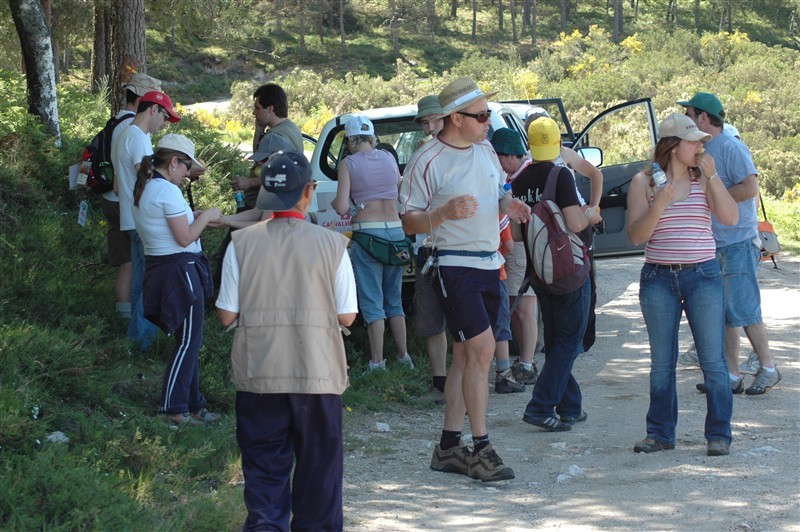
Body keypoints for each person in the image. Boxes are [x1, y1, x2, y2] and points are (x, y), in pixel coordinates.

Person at [215, 150, 357, 530]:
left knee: (264, 473)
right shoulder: (332, 246)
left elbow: (227, 315)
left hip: (259, 375)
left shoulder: (240, 244)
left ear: (264, 195)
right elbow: (347, 316)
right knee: (320, 475)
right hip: (318, 376)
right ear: (308, 192)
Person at [399, 77, 531, 482]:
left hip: (490, 262)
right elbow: (408, 220)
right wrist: (442, 214)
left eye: (488, 114)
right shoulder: (427, 158)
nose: (488, 122)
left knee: (465, 356)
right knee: (483, 351)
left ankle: (448, 447)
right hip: (451, 264)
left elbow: (499, 193)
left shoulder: (487, 151)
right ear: (455, 119)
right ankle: (482, 448)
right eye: (481, 116)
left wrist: (511, 204)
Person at [626, 113, 738, 456]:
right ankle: (659, 434)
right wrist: (660, 201)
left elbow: (731, 218)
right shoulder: (643, 182)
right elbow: (635, 237)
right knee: (662, 362)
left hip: (702, 275)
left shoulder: (704, 179)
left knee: (713, 361)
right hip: (658, 278)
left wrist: (714, 177)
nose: (701, 147)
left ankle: (719, 435)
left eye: (702, 141)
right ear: (674, 147)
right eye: (694, 142)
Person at [679, 94, 780, 395]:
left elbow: (751, 187)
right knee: (725, 313)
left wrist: (713, 199)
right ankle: (731, 375)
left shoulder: (731, 147)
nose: (686, 118)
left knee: (744, 310)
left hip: (736, 242)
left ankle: (769, 368)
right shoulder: (702, 148)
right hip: (716, 243)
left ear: (703, 118)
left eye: (689, 113)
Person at [512, 117, 601, 433]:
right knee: (569, 340)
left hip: (540, 272)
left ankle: (570, 406)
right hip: (569, 269)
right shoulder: (561, 175)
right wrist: (592, 212)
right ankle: (540, 406)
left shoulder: (520, 181)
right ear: (556, 143)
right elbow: (576, 224)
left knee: (556, 340)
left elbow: (519, 235)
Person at [131, 134, 222, 426]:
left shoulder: (148, 188)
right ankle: (173, 407)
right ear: (173, 163)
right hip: (179, 269)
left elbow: (171, 225)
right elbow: (185, 238)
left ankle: (193, 404)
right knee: (188, 342)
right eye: (185, 168)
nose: (187, 174)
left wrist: (192, 215)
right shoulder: (167, 192)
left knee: (190, 341)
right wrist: (206, 216)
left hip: (165, 268)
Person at [332, 115, 412, 371]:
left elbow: (343, 206)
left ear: (351, 139)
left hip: (368, 234)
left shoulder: (349, 164)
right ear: (372, 137)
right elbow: (401, 190)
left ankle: (377, 362)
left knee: (372, 301)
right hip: (396, 234)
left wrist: (339, 204)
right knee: (395, 300)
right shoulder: (389, 158)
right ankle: (404, 357)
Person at [524, 109, 604, 353]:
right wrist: (590, 214)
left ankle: (579, 340)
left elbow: (595, 173)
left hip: (574, 224)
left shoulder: (562, 154)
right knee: (565, 287)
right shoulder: (528, 163)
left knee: (585, 283)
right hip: (555, 231)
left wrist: (592, 206)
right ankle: (568, 345)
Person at [112, 90, 181, 349]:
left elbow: (121, 185)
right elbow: (148, 182)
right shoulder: (139, 139)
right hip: (143, 220)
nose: (164, 123)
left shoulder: (125, 134)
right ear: (153, 110)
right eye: (165, 116)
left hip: (131, 218)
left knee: (140, 281)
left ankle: (135, 337)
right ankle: (144, 342)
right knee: (150, 282)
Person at [100, 72, 162, 319]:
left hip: (116, 201)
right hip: (126, 205)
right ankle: (129, 319)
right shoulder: (132, 129)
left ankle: (126, 319)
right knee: (131, 265)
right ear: (146, 102)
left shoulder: (119, 122)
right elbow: (143, 177)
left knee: (129, 263)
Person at [490, 127, 539, 386]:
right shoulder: (513, 174)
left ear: (508, 156)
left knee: (524, 308)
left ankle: (527, 363)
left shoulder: (524, 175)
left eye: (498, 156)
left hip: (517, 246)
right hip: (510, 245)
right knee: (514, 307)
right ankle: (524, 360)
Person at [411, 95, 448, 402]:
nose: (428, 127)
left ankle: (464, 383)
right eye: (424, 122)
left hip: (459, 247)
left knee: (465, 321)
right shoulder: (422, 156)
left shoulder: (469, 151)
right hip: (429, 246)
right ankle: (441, 384)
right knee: (431, 319)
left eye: (432, 120)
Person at [231, 83, 304, 210]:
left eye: (257, 108)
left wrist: (249, 183)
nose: (253, 113)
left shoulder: (272, 138)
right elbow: (259, 155)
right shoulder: (290, 127)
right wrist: (259, 128)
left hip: (261, 206)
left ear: (270, 109)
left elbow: (283, 175)